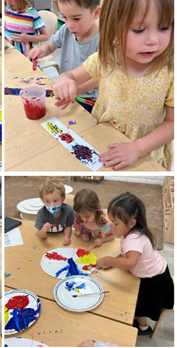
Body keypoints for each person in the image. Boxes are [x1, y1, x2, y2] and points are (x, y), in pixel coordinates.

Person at [53, 0, 174, 170]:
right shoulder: (106, 57)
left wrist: (137, 148)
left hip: (143, 153)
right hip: (101, 139)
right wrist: (65, 81)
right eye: (139, 29)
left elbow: (172, 123)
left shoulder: (170, 73)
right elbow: (75, 75)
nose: (153, 40)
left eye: (163, 27)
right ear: (113, 27)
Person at [97, 192, 174, 335]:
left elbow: (131, 262)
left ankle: (144, 327)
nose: (112, 226)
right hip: (154, 273)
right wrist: (114, 262)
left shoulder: (135, 239)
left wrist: (109, 260)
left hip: (154, 281)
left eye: (115, 223)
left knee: (139, 307)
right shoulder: (129, 232)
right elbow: (126, 254)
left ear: (131, 223)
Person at [29, 0, 101, 113]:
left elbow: (99, 78)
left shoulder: (102, 41)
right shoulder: (65, 30)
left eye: (76, 19)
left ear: (96, 13)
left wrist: (76, 91)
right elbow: (49, 46)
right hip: (65, 92)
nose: (69, 25)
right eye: (65, 17)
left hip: (88, 99)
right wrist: (41, 50)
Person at [35, 178, 75, 245]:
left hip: (60, 239)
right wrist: (43, 230)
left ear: (63, 199)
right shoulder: (41, 213)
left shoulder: (69, 210)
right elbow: (41, 235)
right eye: (47, 201)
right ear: (43, 201)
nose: (52, 205)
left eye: (55, 201)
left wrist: (67, 237)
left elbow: (68, 226)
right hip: (48, 241)